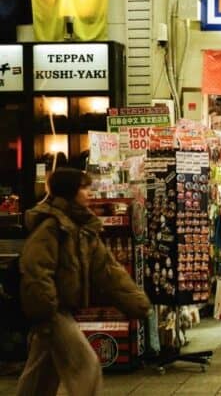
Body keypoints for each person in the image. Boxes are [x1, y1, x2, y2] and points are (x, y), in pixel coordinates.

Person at [16, 168, 151, 396]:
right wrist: (45, 310)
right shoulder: (52, 226)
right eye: (83, 187)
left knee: (40, 375)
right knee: (86, 366)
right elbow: (36, 269)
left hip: (58, 310)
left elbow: (108, 270)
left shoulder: (83, 228)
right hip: (53, 311)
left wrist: (136, 301)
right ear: (70, 192)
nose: (89, 193)